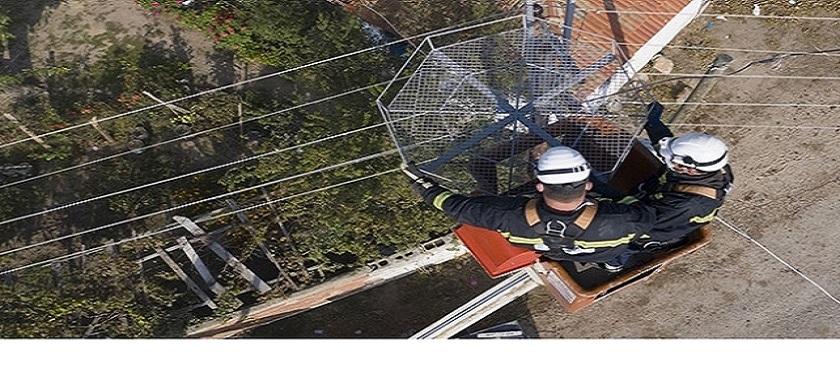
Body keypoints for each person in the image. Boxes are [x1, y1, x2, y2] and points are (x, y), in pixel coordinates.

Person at [402, 146, 656, 272]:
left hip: (554, 251)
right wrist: (606, 192)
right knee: (613, 254)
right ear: (587, 183)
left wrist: (422, 184)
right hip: (601, 251)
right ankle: (613, 264)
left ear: (538, 186)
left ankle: (607, 262)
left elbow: (455, 207)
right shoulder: (623, 220)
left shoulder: (508, 215)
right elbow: (646, 215)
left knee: (579, 252)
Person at [612, 101, 734, 267]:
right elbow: (665, 148)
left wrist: (607, 197)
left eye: (672, 160)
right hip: (657, 198)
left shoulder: (687, 205)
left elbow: (641, 222)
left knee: (623, 245)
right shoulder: (711, 167)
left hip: (654, 228)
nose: (666, 158)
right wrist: (653, 123)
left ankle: (614, 264)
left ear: (690, 170)